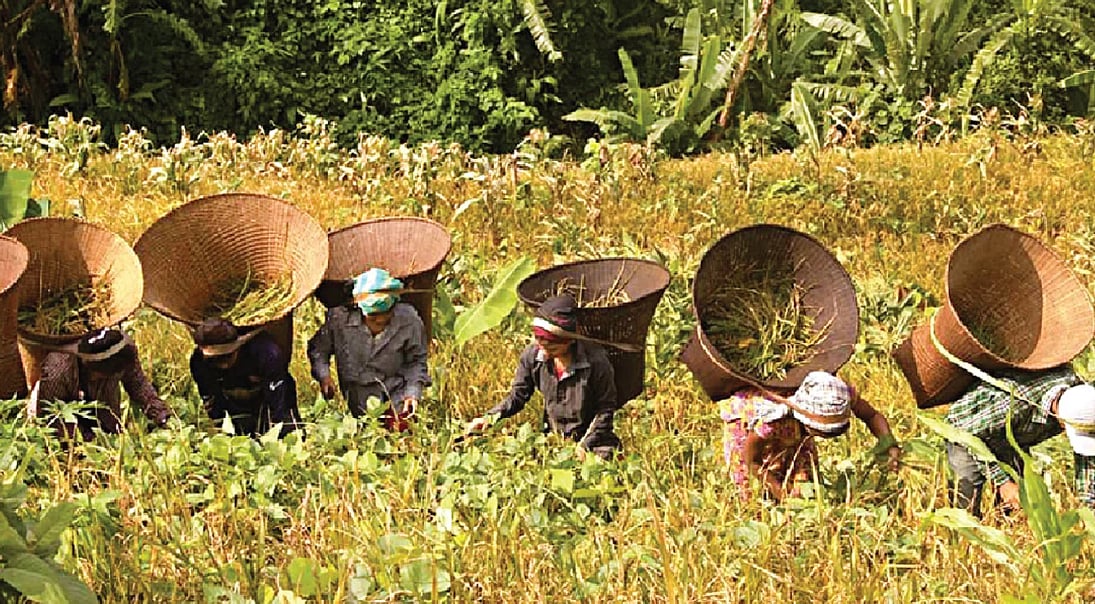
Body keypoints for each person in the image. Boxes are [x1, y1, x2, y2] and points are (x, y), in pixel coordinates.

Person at [465, 294, 621, 459]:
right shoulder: (533, 356)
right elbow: (517, 396)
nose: (544, 351)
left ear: (569, 341)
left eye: (552, 347)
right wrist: (489, 418)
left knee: (602, 461)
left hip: (594, 441)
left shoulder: (596, 362)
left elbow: (605, 410)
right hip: (553, 438)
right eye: (540, 342)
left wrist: (584, 446)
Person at [720, 371, 901, 501]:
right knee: (750, 493)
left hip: (794, 429)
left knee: (806, 483)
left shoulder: (839, 394)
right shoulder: (773, 422)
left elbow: (872, 416)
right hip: (745, 424)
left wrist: (889, 445)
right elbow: (752, 460)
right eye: (822, 432)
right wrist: (779, 490)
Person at [945, 366, 1095, 515]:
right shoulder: (1014, 404)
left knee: (1018, 498)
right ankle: (966, 527)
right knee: (966, 499)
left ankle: (1002, 522)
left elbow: (1087, 459)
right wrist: (1003, 483)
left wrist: (1088, 508)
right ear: (1060, 417)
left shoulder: (1086, 402)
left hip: (1010, 436)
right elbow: (970, 434)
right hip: (966, 429)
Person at [307, 268, 429, 427]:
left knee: (400, 430)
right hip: (358, 394)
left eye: (386, 316)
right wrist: (324, 376)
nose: (379, 320)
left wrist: (412, 393)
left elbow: (416, 361)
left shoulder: (409, 319)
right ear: (359, 309)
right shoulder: (339, 319)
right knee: (364, 430)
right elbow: (318, 350)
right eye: (373, 317)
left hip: (395, 390)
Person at [34, 328, 173, 441]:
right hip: (67, 431)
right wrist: (84, 444)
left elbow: (138, 384)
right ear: (89, 366)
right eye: (102, 376)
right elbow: (52, 418)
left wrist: (161, 415)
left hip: (106, 420)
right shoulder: (58, 371)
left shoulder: (121, 352)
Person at [189, 318, 301, 438]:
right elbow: (212, 401)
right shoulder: (198, 363)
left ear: (238, 347)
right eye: (215, 360)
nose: (224, 365)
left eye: (227, 356)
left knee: (287, 433)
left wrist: (277, 430)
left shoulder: (266, 353)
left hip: (271, 397)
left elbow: (278, 401)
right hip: (236, 405)